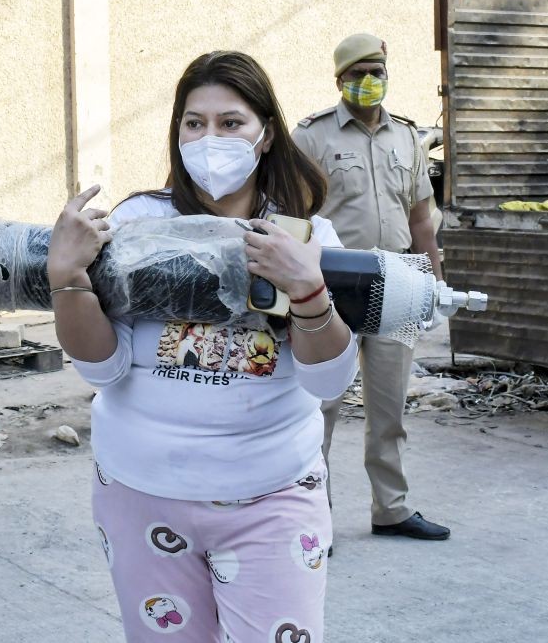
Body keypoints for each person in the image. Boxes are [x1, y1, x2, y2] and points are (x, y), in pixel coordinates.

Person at [47, 50, 357, 642]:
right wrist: (69, 280)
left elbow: (328, 383)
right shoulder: (138, 223)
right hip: (142, 497)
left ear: (265, 135)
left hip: (272, 496)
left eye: (230, 122)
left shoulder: (305, 237)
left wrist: (309, 289)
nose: (209, 137)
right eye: (195, 123)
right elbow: (103, 368)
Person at [292, 33, 451, 544]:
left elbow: (422, 218)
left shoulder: (407, 137)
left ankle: (392, 509)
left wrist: (434, 282)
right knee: (321, 409)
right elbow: (292, 216)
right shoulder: (311, 138)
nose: (369, 82)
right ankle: (315, 516)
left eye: (377, 71)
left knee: (390, 407)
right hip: (334, 284)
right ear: (339, 81)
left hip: (400, 281)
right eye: (358, 73)